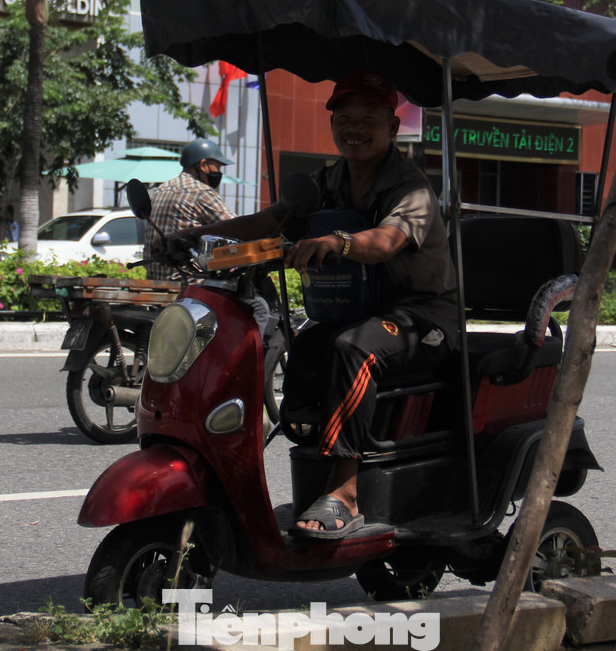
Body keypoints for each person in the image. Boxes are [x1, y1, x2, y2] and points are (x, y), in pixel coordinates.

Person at [180, 69, 458, 540]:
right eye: (343, 118)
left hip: (422, 316)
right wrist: (194, 235)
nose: (354, 127)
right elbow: (270, 220)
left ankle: (346, 491)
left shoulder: (411, 187)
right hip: (363, 309)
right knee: (306, 344)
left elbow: (387, 241)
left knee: (354, 348)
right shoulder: (325, 181)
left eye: (367, 118)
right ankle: (313, 457)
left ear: (392, 127)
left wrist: (337, 241)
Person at [144, 138, 235, 281]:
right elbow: (235, 227)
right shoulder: (200, 193)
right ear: (203, 164)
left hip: (155, 281)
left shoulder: (160, 189)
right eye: (218, 167)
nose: (219, 173)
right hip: (192, 285)